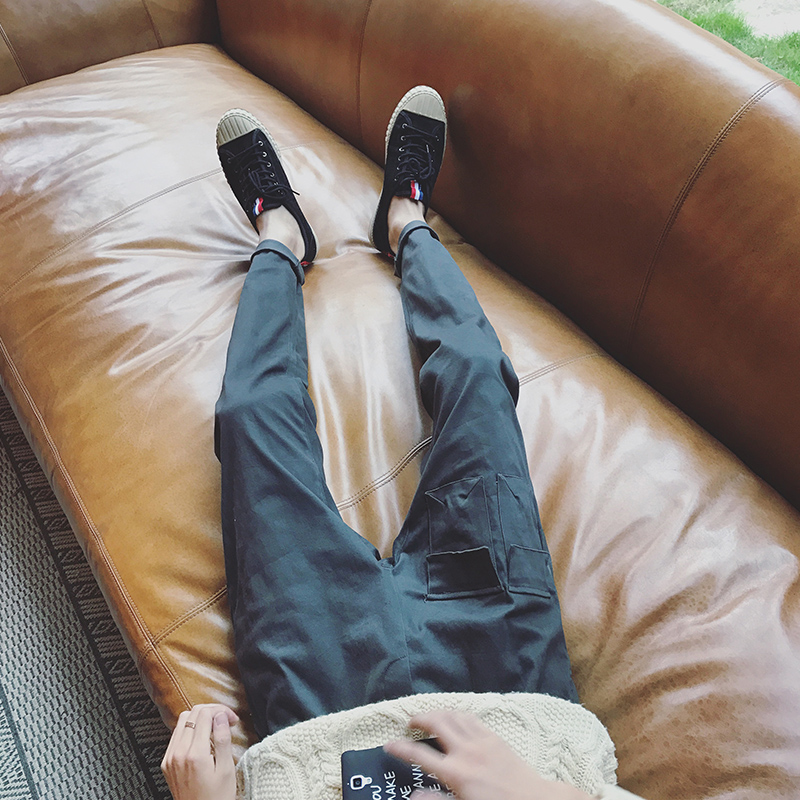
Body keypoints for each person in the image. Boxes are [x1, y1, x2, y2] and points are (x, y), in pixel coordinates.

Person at [161, 87, 641, 800]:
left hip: (323, 699)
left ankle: (279, 236)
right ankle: (407, 219)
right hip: (505, 677)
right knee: (477, 379)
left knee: (250, 415)